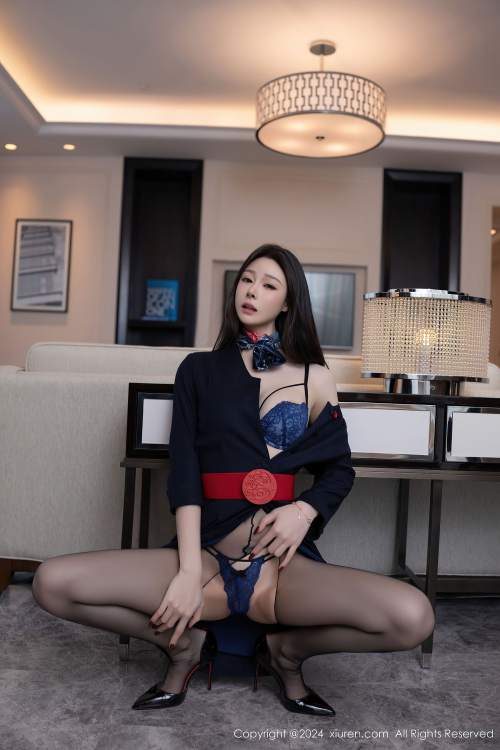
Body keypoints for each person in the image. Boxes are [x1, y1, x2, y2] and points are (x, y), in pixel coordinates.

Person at [31, 243, 435, 716]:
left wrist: (304, 510)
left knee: (414, 617)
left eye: (268, 284)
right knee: (51, 583)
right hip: (206, 559)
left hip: (278, 570)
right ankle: (184, 647)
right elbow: (184, 474)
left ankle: (286, 654)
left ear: (287, 303)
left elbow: (338, 469)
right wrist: (186, 572)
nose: (251, 290)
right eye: (246, 279)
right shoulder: (198, 370)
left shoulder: (316, 377)